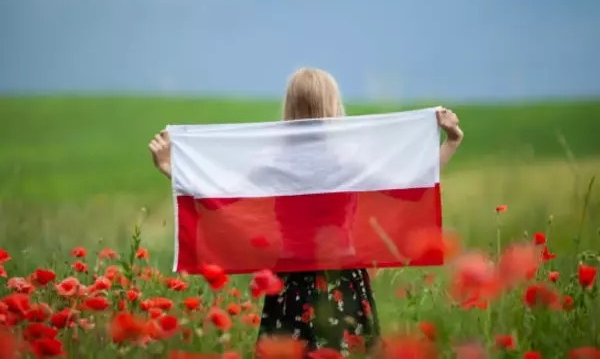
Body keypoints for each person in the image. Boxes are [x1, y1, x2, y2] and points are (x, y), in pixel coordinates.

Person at [148, 68, 464, 355]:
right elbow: (410, 185)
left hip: (289, 286)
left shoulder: (274, 163)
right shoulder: (348, 162)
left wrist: (169, 168)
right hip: (343, 280)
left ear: (290, 106)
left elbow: (218, 197)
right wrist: (451, 141)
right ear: (333, 105)